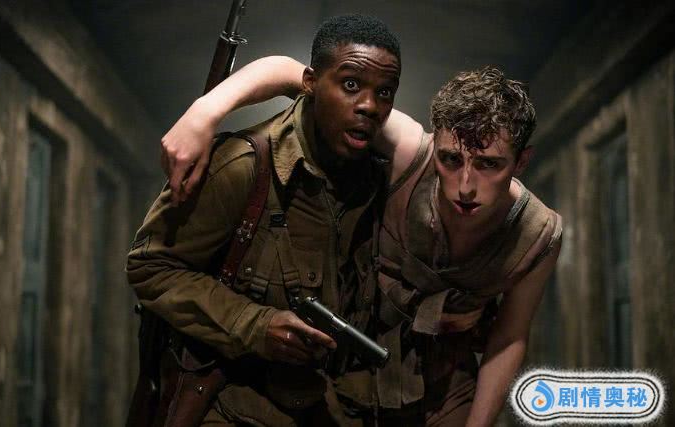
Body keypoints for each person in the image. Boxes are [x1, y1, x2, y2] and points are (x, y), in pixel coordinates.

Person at [160, 58, 562, 426]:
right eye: (451, 160)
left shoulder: (539, 233)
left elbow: (509, 337)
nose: (466, 186)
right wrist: (203, 115)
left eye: (489, 165)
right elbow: (293, 73)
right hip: (344, 375)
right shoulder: (411, 154)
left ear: (521, 162)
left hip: (443, 390)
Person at [127, 15, 402, 426]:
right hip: (232, 406)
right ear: (310, 83)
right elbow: (150, 266)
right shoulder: (245, 167)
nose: (369, 105)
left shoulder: (379, 178)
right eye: (350, 85)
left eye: (384, 92)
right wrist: (256, 326)